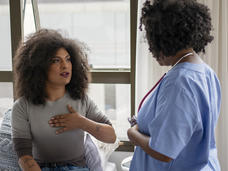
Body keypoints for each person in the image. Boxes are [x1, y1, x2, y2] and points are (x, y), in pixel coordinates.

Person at [127, 0, 221, 170]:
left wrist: (133, 134)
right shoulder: (204, 72)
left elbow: (164, 151)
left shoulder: (180, 82)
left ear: (163, 39)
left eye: (150, 39)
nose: (150, 48)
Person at [11, 29, 116, 171]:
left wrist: (81, 122)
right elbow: (24, 157)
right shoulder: (22, 107)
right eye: (56, 60)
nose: (65, 65)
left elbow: (111, 137)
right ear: (38, 67)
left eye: (68, 59)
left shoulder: (82, 100)